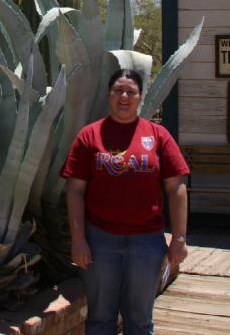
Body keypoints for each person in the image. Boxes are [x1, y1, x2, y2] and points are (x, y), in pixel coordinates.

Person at [61, 68, 189, 335]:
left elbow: (176, 188)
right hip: (100, 241)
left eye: (131, 91)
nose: (124, 96)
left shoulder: (158, 135)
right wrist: (78, 239)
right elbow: (74, 191)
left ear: (140, 97)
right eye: (118, 90)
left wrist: (178, 239)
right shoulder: (89, 136)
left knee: (140, 322)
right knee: (99, 320)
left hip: (147, 242)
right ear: (108, 95)